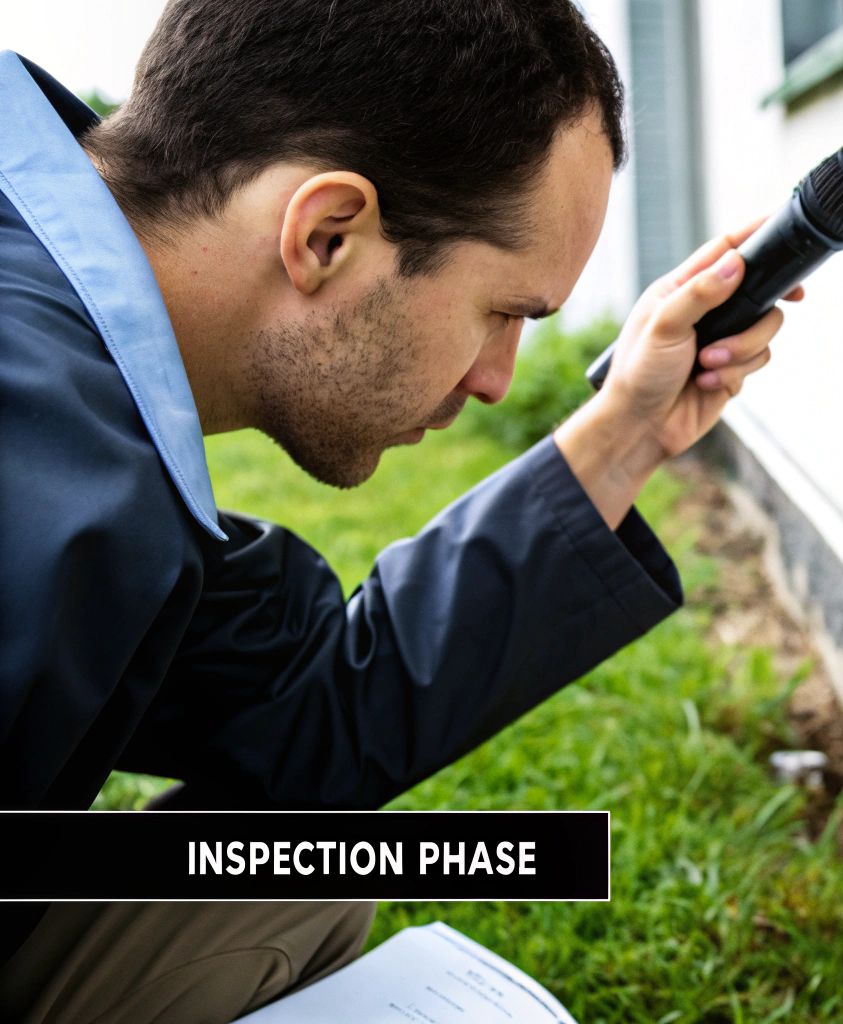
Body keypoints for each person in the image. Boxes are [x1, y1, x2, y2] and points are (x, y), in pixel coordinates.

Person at [0, 1, 797, 1020]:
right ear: (327, 234)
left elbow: (303, 706)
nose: (500, 380)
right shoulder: (44, 489)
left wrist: (626, 431)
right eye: (502, 310)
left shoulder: (79, 394)